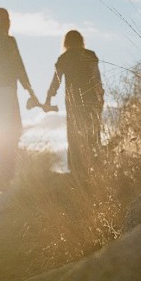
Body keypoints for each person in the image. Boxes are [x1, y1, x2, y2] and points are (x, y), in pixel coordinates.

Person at [0, 7, 37, 191]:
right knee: (12, 132)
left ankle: (0, 174)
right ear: (5, 22)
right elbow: (18, 65)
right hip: (6, 92)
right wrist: (29, 89)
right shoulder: (9, 41)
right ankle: (6, 175)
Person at [44, 30, 104, 176]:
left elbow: (55, 82)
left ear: (66, 42)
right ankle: (96, 163)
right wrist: (100, 95)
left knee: (74, 133)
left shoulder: (64, 58)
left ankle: (76, 168)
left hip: (73, 101)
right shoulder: (89, 55)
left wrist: (48, 99)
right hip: (91, 99)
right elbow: (96, 77)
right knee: (93, 131)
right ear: (81, 40)